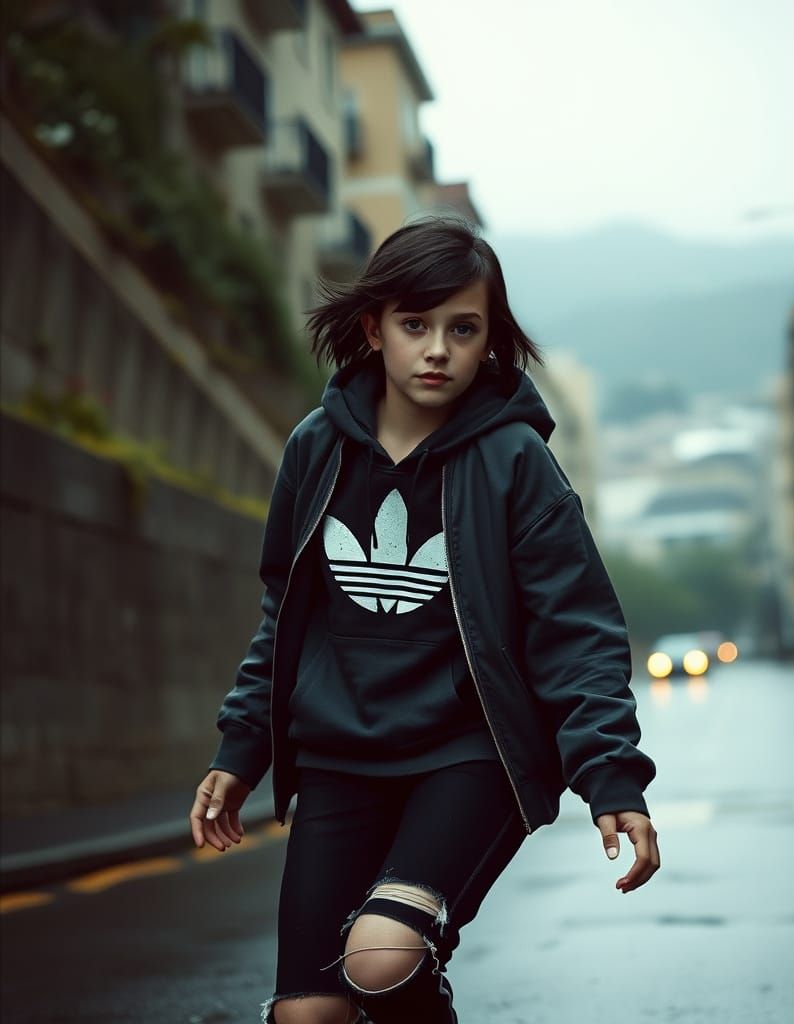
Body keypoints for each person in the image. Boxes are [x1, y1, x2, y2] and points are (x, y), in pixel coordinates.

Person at [188, 216, 660, 1024]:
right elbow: (287, 614)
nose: (437, 348)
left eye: (462, 328)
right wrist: (243, 747)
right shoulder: (315, 450)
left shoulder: (514, 460)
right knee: (309, 1016)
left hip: (468, 757)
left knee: (382, 956)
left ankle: (413, 983)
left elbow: (575, 627)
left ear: (490, 342)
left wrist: (610, 774)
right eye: (416, 324)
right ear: (374, 329)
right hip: (339, 757)